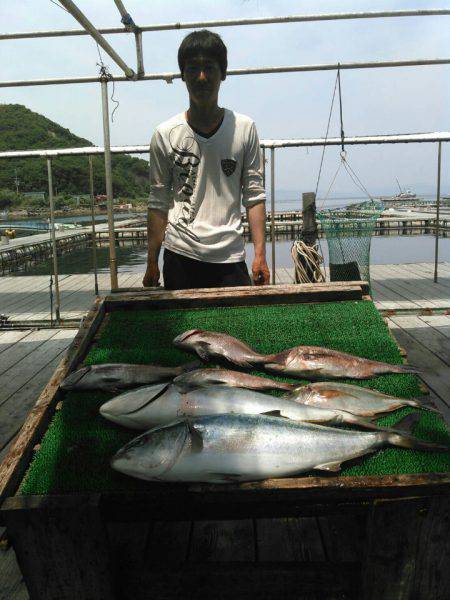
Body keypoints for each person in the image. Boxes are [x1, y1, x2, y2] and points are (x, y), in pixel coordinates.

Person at [143, 29, 270, 290]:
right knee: (185, 332)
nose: (202, 77)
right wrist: (151, 261)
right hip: (180, 254)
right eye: (192, 69)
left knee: (234, 330)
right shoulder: (165, 134)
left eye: (209, 67)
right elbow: (158, 201)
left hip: (231, 257)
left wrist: (260, 255)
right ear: (183, 75)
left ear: (223, 73)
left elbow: (254, 195)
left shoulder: (245, 128)